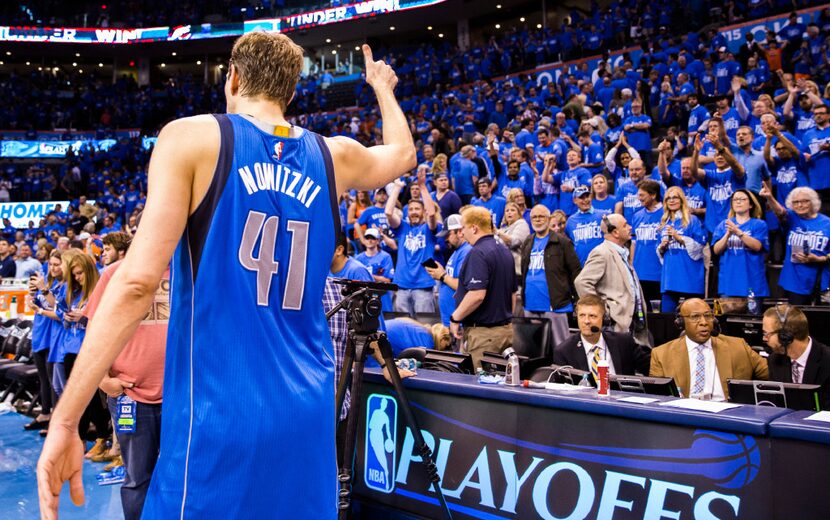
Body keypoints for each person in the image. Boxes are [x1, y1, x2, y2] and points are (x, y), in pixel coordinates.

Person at [38, 36, 415, 519]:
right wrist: (382, 87)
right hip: (308, 414)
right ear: (292, 92)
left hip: (220, 417)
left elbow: (135, 285)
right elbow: (402, 154)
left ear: (232, 78)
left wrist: (65, 420)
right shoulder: (333, 156)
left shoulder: (192, 138)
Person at [85, 241, 168, 520]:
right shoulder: (115, 274)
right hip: (130, 396)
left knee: (179, 475)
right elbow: (95, 331)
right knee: (137, 478)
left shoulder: (189, 275)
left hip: (180, 397)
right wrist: (102, 380)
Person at [650, 298, 768, 400]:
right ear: (681, 323)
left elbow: (773, 373)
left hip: (727, 415)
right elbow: (657, 397)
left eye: (708, 316)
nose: (704, 322)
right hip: (685, 415)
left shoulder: (738, 346)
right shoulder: (661, 354)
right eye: (695, 317)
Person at [450, 206, 516, 370]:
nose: (462, 233)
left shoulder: (478, 252)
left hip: (484, 335)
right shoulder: (504, 249)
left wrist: (455, 318)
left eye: (463, 228)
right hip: (504, 330)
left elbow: (477, 294)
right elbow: (513, 294)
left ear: (474, 227)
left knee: (480, 386)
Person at [574, 213, 650, 347]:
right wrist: (603, 310)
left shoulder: (622, 252)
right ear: (615, 232)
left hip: (633, 323)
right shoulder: (602, 253)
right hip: (617, 324)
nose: (630, 227)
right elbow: (582, 282)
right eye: (625, 225)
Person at [520, 204, 582, 346]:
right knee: (533, 350)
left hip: (556, 305)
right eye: (534, 217)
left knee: (561, 347)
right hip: (530, 304)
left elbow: (576, 271)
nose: (538, 220)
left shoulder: (562, 242)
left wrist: (578, 299)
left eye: (541, 216)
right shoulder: (528, 242)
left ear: (548, 219)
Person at [553, 295, 651, 379]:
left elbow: (652, 368)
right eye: (582, 315)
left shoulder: (624, 342)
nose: (586, 321)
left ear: (604, 318)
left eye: (592, 316)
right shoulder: (564, 351)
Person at [761, 185, 830, 304]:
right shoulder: (792, 218)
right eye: (796, 202)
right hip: (794, 282)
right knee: (796, 320)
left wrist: (820, 259)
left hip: (820, 281)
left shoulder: (827, 223)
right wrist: (770, 197)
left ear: (813, 202)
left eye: (804, 201)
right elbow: (780, 212)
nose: (800, 205)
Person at [386, 174, 439, 314]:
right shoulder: (403, 227)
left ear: (423, 212)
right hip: (402, 285)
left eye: (417, 209)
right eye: (411, 209)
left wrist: (422, 187)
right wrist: (397, 188)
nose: (413, 212)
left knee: (425, 327)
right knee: (403, 326)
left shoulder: (428, 229)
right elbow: (388, 213)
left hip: (423, 285)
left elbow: (432, 214)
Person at [763, 304, 830, 410]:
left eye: (767, 334)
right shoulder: (775, 360)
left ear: (785, 336)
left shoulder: (826, 360)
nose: (764, 339)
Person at [712, 189, 769, 298]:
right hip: (728, 283)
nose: (738, 202)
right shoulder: (723, 225)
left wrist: (738, 232)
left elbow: (757, 246)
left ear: (751, 205)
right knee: (726, 315)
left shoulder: (759, 224)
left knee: (752, 315)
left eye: (742, 199)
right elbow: (716, 250)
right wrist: (727, 235)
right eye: (735, 200)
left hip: (752, 283)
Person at [657, 187, 707, 312]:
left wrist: (679, 238)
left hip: (689, 275)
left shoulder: (692, 220)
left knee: (694, 315)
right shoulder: (664, 224)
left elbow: (700, 248)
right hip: (670, 277)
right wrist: (662, 247)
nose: (671, 200)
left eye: (675, 197)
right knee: (667, 318)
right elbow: (660, 254)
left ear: (682, 200)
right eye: (668, 198)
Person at [425, 214, 471, 327]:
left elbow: (463, 285)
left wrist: (442, 275)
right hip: (451, 319)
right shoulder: (456, 251)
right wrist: (440, 272)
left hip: (459, 322)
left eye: (448, 235)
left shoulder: (466, 251)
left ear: (460, 232)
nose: (445, 239)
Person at [630, 180, 664, 308]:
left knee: (659, 313)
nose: (639, 199)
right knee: (643, 312)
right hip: (640, 271)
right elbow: (634, 243)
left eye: (642, 195)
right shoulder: (637, 216)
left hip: (659, 272)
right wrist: (632, 266)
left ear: (653, 195)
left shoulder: (666, 214)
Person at [355, 228, 395, 312]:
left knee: (386, 320)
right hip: (364, 295)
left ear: (378, 241)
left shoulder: (385, 257)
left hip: (382, 296)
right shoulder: (358, 258)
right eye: (367, 238)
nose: (369, 241)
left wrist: (369, 275)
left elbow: (388, 280)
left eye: (372, 238)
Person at [565, 185, 603, 265]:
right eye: (581, 198)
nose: (585, 200)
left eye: (587, 196)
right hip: (581, 266)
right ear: (575, 200)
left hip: (601, 263)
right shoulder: (570, 221)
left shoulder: (603, 215)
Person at [496, 201, 530, 275]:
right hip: (502, 269)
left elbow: (514, 241)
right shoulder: (503, 229)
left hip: (516, 269)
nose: (509, 212)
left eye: (512, 210)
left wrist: (497, 232)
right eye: (507, 211)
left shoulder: (522, 224)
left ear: (518, 214)